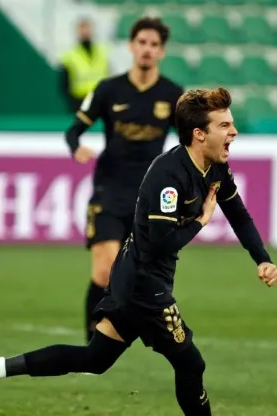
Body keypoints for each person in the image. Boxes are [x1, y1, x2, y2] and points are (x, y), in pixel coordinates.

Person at [0, 87, 277, 415]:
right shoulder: (169, 176)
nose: (234, 132)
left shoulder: (216, 168)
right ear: (198, 134)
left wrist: (262, 258)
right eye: (224, 126)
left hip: (137, 276)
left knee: (95, 359)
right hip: (143, 285)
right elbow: (161, 243)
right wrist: (202, 220)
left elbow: (237, 211)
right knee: (191, 363)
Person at [64, 16, 184, 343]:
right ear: (131, 47)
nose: (146, 50)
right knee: (104, 270)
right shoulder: (108, 89)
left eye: (154, 45)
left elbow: (192, 139)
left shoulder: (173, 95)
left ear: (162, 51)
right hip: (109, 191)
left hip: (148, 198)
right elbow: (73, 129)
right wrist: (76, 147)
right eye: (141, 43)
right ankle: (91, 340)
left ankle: (116, 337)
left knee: (136, 277)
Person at [59, 18, 110, 113]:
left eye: (87, 29)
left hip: (100, 99)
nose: (85, 32)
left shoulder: (103, 52)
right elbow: (64, 83)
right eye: (82, 29)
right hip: (79, 100)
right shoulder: (70, 55)